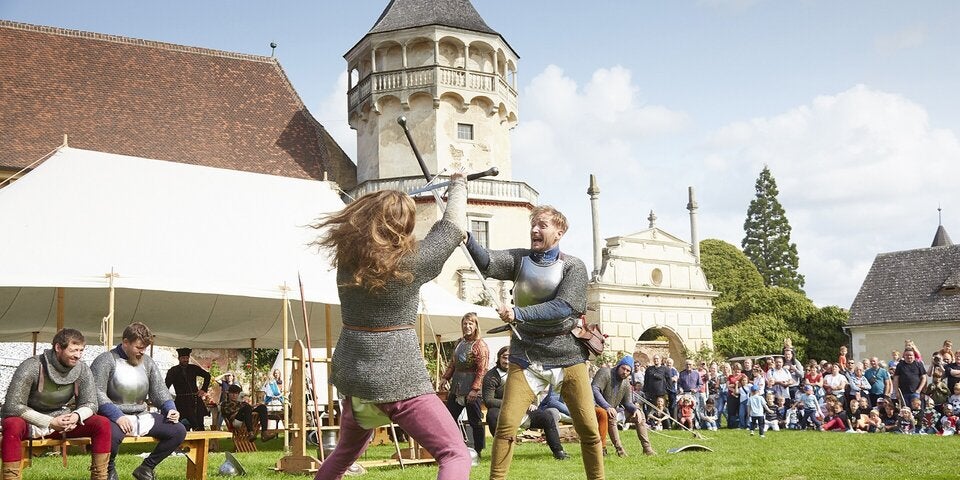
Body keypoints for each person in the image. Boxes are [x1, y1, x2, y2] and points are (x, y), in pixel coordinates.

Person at [312, 176, 472, 480]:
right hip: (400, 379)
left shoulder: (348, 261)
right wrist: (458, 186)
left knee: (344, 453)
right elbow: (452, 227)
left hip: (356, 379)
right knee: (454, 454)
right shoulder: (411, 262)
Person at [464, 205, 603, 480]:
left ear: (559, 232)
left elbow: (563, 307)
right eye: (533, 225)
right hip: (526, 355)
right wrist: (467, 238)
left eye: (542, 225)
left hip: (568, 356)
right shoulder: (520, 259)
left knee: (588, 428)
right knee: (506, 426)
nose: (534, 230)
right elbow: (487, 262)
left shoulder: (573, 266)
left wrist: (519, 313)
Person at [1, 329, 112, 480]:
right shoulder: (32, 366)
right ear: (58, 347)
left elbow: (91, 403)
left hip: (62, 422)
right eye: (73, 350)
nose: (78, 355)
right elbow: (12, 406)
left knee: (102, 423)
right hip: (30, 422)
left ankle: (100, 477)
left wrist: (76, 416)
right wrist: (50, 421)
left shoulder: (82, 369)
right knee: (12, 424)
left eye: (81, 350)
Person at [91, 322, 187, 480]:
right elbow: (96, 392)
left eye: (145, 348)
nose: (142, 352)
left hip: (141, 415)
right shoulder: (105, 360)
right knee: (109, 434)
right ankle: (109, 469)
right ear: (125, 342)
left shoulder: (147, 362)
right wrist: (117, 415)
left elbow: (160, 390)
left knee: (178, 430)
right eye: (139, 347)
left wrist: (170, 408)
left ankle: (146, 468)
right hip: (112, 417)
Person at [483, 347, 569, 460]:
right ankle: (501, 452)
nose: (507, 361)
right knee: (491, 415)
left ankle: (558, 451)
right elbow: (489, 400)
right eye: (504, 357)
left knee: (547, 418)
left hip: (524, 409)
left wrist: (533, 402)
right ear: (499, 358)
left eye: (510, 357)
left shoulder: (522, 372)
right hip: (502, 410)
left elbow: (532, 389)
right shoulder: (491, 376)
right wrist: (512, 404)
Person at [440, 312, 489, 456]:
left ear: (476, 326)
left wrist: (475, 389)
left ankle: (478, 451)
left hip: (472, 388)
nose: (467, 326)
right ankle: (456, 447)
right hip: (457, 386)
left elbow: (482, 369)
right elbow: (453, 363)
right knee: (449, 418)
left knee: (475, 421)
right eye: (465, 323)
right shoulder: (459, 342)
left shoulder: (480, 345)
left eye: (470, 323)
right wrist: (445, 377)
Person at [591, 355, 656, 457]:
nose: (625, 372)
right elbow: (595, 389)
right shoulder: (605, 372)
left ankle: (647, 449)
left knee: (640, 415)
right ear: (618, 366)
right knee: (611, 416)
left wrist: (635, 409)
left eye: (628, 371)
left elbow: (627, 402)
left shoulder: (626, 383)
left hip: (612, 410)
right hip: (596, 409)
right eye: (623, 368)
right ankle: (620, 450)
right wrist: (607, 406)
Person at [164, 348, 211, 431]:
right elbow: (166, 386)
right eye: (183, 358)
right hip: (181, 401)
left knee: (199, 425)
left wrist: (203, 389)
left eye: (187, 358)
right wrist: (164, 399)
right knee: (181, 426)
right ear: (179, 359)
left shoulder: (193, 368)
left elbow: (207, 376)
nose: (185, 360)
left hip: (195, 400)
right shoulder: (173, 371)